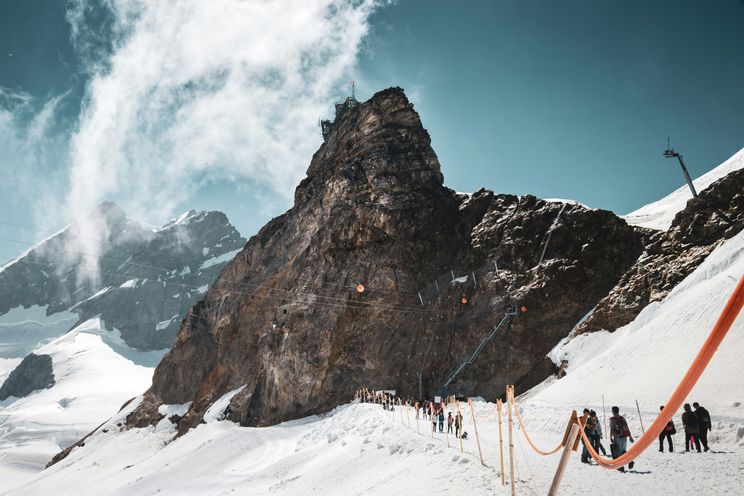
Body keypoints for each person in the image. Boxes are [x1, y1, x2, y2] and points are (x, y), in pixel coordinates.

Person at [609, 406, 635, 472]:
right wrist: (630, 436)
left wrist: (611, 437)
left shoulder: (612, 419)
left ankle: (621, 467)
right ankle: (630, 461)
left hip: (617, 437)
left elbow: (612, 428)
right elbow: (626, 427)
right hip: (624, 437)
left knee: (618, 453)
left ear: (613, 411)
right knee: (623, 451)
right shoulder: (622, 418)